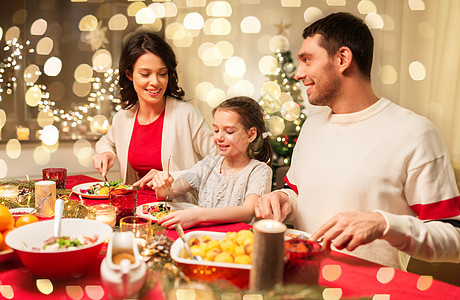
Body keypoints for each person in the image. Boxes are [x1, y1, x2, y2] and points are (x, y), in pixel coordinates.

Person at [254, 12, 460, 269]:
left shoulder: (415, 132)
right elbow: (300, 196)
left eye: (307, 60)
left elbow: (454, 238)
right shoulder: (311, 126)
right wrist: (285, 200)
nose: (298, 73)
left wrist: (385, 224)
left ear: (342, 58)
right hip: (303, 286)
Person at [93, 32, 216, 202]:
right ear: (129, 75)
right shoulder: (123, 117)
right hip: (134, 212)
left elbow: (218, 162)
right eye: (145, 74)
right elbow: (105, 142)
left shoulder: (186, 115)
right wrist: (105, 153)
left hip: (179, 212)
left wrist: (170, 177)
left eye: (162, 73)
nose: (155, 82)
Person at [148, 96, 273, 229]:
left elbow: (247, 212)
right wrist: (163, 187)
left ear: (251, 135)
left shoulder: (259, 171)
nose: (219, 137)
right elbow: (169, 194)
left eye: (229, 131)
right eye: (216, 130)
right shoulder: (208, 164)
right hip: (205, 239)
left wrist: (198, 215)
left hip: (237, 243)